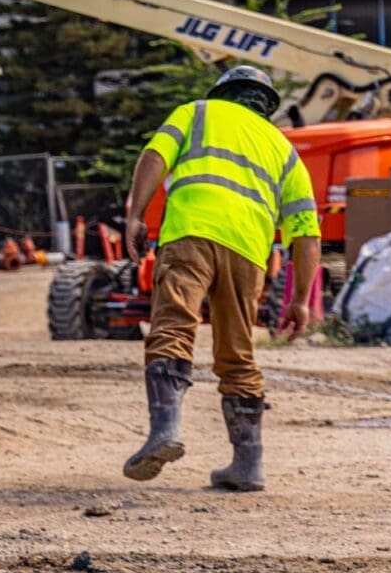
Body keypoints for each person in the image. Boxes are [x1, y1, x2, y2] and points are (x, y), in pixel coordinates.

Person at [120, 65, 320, 492]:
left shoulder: (196, 112)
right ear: (266, 105)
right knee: (238, 352)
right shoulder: (285, 150)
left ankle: (165, 431)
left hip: (191, 233)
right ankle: (248, 464)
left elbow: (154, 156)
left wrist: (135, 214)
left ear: (223, 92)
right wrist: (300, 300)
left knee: (173, 326)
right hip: (248, 253)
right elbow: (306, 232)